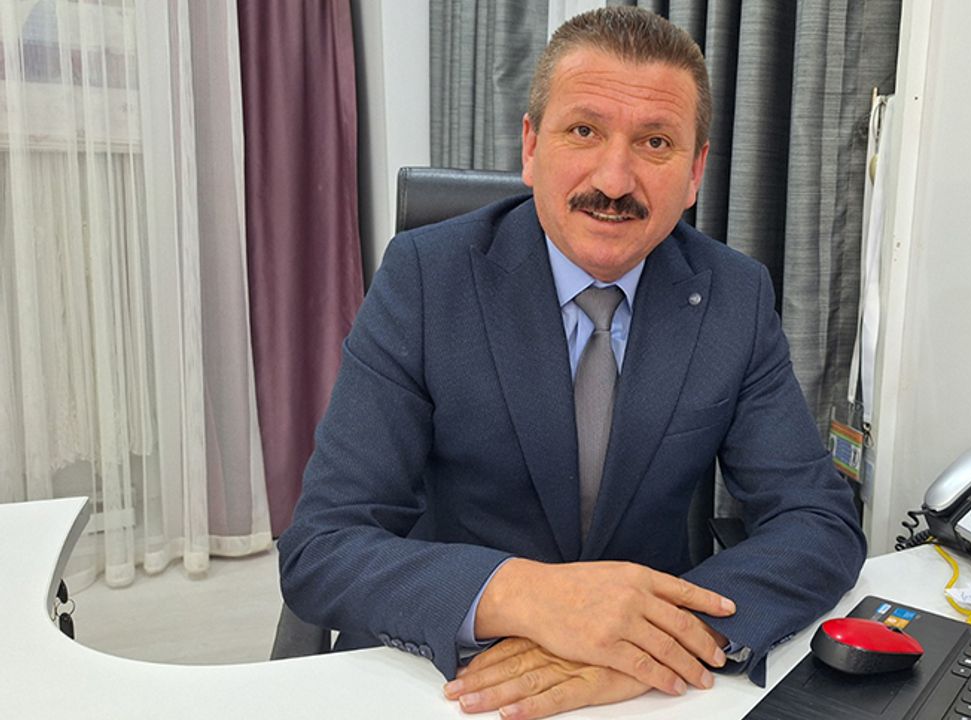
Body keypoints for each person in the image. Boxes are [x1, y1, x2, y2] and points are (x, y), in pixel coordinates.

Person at [277, 7, 865, 719]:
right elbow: (323, 547)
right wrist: (528, 597)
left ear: (694, 173)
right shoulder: (426, 278)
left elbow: (818, 520)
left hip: (635, 689)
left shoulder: (733, 297)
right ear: (531, 147)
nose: (614, 180)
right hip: (452, 677)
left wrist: (655, 637)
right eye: (584, 131)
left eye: (655, 142)